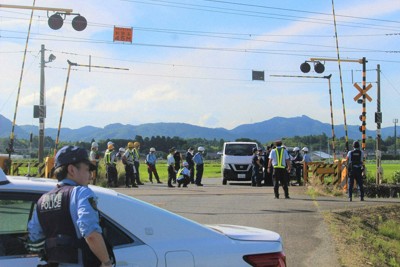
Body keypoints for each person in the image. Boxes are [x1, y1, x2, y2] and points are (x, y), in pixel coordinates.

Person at [27, 145, 114, 267]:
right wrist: (106, 262)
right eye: (87, 170)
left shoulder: (42, 200)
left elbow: (34, 237)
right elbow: (91, 234)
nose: (90, 175)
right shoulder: (82, 193)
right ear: (72, 170)